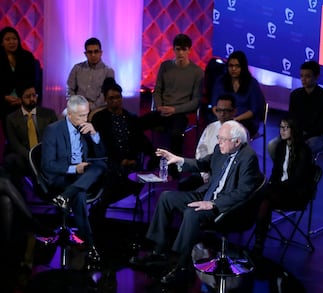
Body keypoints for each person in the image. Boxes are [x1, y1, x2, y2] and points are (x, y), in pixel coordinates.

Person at [129, 120, 263, 285]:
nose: (218, 142)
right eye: (218, 137)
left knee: (191, 214)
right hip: (208, 195)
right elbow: (201, 164)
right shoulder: (220, 149)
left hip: (227, 207)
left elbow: (243, 192)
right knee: (166, 197)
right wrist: (178, 160)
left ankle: (181, 266)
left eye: (222, 139)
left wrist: (213, 204)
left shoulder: (248, 157)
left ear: (236, 141)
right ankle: (159, 252)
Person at [41, 95, 107, 263]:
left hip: (81, 175)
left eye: (87, 114)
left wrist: (94, 134)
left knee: (101, 166)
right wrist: (73, 168)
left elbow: (100, 155)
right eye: (81, 116)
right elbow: (47, 165)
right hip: (62, 176)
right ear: (69, 114)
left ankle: (65, 197)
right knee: (79, 194)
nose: (85, 119)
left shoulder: (86, 128)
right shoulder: (53, 130)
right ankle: (91, 246)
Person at [90, 77, 157, 230]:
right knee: (112, 176)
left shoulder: (130, 118)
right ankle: (99, 214)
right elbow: (99, 146)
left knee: (134, 179)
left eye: (118, 97)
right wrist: (120, 161)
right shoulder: (100, 119)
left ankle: (100, 207)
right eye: (111, 98)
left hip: (131, 163)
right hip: (109, 162)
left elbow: (142, 141)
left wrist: (155, 155)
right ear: (106, 100)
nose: (115, 101)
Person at [252, 117, 314, 256]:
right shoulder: (280, 146)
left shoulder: (303, 150)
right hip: (278, 191)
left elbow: (297, 179)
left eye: (286, 128)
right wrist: (273, 185)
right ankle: (259, 240)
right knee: (264, 199)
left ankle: (258, 237)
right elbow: (276, 171)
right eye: (281, 127)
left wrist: (274, 187)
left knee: (262, 196)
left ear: (294, 129)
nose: (282, 131)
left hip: (295, 193)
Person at [139, 33, 204, 156]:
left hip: (179, 114)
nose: (180, 53)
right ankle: (152, 156)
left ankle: (174, 169)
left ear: (189, 50)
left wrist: (174, 109)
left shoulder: (197, 72)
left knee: (176, 135)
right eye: (178, 49)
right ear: (173, 49)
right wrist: (159, 107)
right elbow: (157, 90)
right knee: (134, 125)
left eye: (184, 49)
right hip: (162, 111)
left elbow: (195, 102)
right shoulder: (165, 66)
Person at [268, 60, 323, 160]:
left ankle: (303, 174)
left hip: (317, 136)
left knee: (301, 150)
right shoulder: (295, 95)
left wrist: (305, 136)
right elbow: (291, 118)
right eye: (301, 76)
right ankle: (282, 171)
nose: (303, 79)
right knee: (272, 146)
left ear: (316, 77)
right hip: (297, 134)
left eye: (308, 76)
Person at [4, 83, 57, 192]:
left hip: (46, 154)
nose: (32, 99)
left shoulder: (49, 114)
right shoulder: (11, 119)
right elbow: (15, 144)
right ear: (20, 99)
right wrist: (31, 156)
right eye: (28, 97)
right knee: (11, 160)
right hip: (25, 157)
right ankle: (20, 197)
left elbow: (56, 137)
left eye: (34, 95)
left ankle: (55, 195)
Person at [178, 94, 236, 191]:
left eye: (226, 111)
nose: (222, 114)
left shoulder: (239, 132)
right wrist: (204, 174)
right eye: (219, 110)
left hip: (225, 177)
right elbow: (201, 150)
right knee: (184, 185)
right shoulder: (211, 127)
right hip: (205, 171)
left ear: (234, 111)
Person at [211, 50, 265, 137]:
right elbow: (214, 105)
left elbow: (253, 110)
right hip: (222, 118)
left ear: (243, 67)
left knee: (232, 132)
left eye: (237, 66)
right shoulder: (220, 81)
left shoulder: (252, 83)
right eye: (231, 66)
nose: (233, 69)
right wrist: (221, 117)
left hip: (245, 120)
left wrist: (234, 120)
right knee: (213, 130)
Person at [0, 26, 38, 137]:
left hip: (25, 100)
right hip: (4, 101)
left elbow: (33, 81)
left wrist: (22, 98)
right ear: (1, 43)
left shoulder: (27, 57)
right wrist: (4, 97)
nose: (12, 42)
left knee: (26, 133)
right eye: (7, 39)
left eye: (14, 39)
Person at [66, 37, 114, 113]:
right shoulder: (77, 68)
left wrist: (92, 106)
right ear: (85, 54)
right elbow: (70, 89)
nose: (93, 55)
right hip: (77, 106)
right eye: (90, 52)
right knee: (62, 118)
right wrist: (75, 104)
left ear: (101, 53)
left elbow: (106, 93)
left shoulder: (108, 71)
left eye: (96, 51)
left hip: (99, 108)